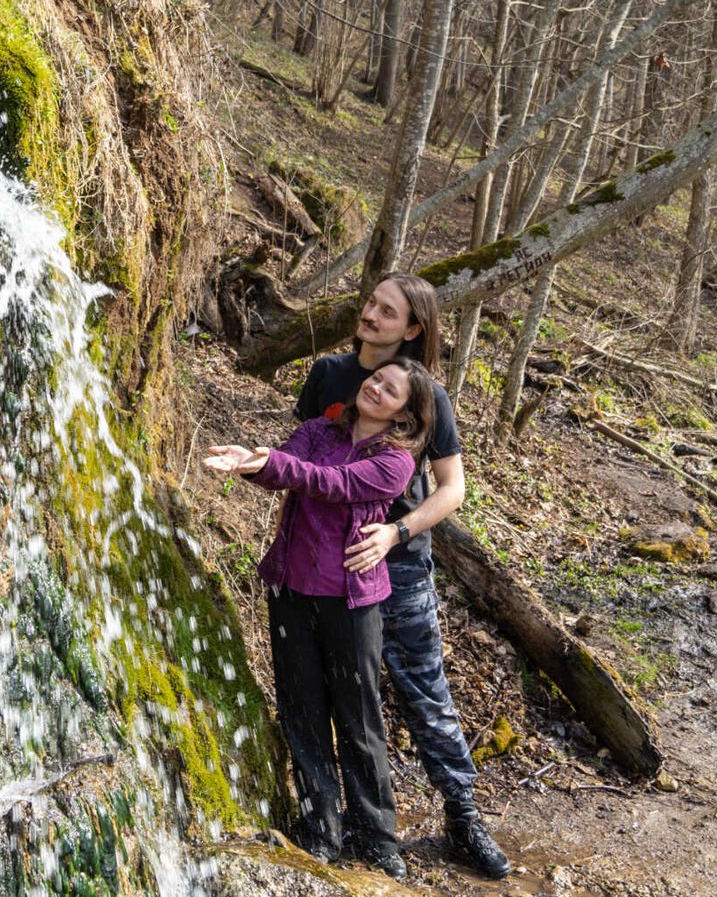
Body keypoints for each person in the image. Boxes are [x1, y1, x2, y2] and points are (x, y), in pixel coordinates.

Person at [295, 272, 511, 880]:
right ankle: (332, 822)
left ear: (413, 328)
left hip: (401, 568)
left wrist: (397, 532)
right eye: (370, 303)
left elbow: (452, 488)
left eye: (387, 311)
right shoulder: (328, 376)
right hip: (328, 568)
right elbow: (301, 456)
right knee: (335, 693)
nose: (370, 314)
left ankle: (463, 816)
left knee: (423, 690)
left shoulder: (425, 394)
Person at [204, 357, 436, 880]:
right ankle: (320, 829)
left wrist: (271, 463)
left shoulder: (395, 461)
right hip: (291, 589)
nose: (376, 388)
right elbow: (286, 468)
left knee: (358, 718)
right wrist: (253, 463)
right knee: (302, 710)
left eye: (391, 389)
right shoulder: (317, 430)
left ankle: (376, 838)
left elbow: (332, 482)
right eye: (376, 379)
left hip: (351, 601)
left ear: (405, 413)